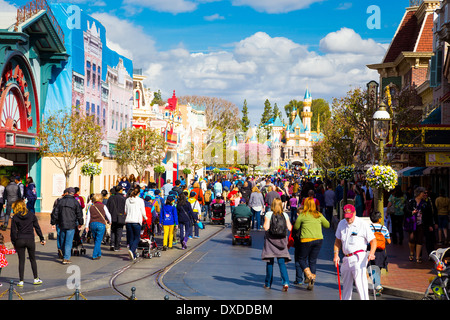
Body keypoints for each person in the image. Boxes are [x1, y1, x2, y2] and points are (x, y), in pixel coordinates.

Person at [333, 204, 376, 300]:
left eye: (350, 217)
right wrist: (336, 254)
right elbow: (337, 241)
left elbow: (373, 241)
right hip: (346, 257)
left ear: (355, 213)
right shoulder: (341, 223)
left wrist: (372, 253)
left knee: (360, 283)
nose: (349, 219)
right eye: (347, 217)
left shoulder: (362, 224)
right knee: (346, 285)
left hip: (359, 257)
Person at [293, 197, 330, 290]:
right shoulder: (318, 214)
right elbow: (327, 225)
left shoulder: (303, 215)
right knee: (312, 260)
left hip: (306, 239)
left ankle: (309, 275)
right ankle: (311, 280)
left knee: (301, 259)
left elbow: (296, 226)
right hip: (318, 239)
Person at [10, 199, 45, 286]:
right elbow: (37, 227)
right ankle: (36, 278)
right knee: (32, 259)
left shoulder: (15, 217)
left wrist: (14, 242)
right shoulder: (31, 215)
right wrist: (42, 238)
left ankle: (21, 281)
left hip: (20, 240)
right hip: (30, 239)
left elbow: (13, 232)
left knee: (21, 260)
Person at [261, 198, 292, 292]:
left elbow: (266, 227)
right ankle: (286, 282)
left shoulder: (269, 214)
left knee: (270, 262)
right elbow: (290, 227)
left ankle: (268, 284)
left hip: (270, 241)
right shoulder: (285, 215)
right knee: (281, 263)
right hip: (282, 241)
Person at [51, 187, 83, 264]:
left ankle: (63, 251)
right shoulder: (75, 202)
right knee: (68, 241)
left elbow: (55, 212)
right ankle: (66, 258)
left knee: (62, 239)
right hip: (71, 224)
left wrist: (53, 222)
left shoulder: (60, 201)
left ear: (67, 193)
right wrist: (80, 223)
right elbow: (79, 214)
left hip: (61, 224)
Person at [403, 187, 434, 263]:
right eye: (424, 193)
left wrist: (430, 225)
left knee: (420, 240)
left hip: (421, 224)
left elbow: (430, 214)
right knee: (411, 239)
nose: (425, 194)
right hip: (412, 223)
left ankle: (417, 257)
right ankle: (411, 252)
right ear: (419, 193)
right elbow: (405, 210)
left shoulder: (425, 203)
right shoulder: (411, 201)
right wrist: (412, 212)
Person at [368, 211, 391, 296]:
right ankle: (378, 286)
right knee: (378, 269)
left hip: (370, 250)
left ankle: (377, 286)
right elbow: (389, 241)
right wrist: (383, 243)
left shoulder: (368, 227)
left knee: (370, 268)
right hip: (381, 252)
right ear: (380, 219)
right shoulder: (384, 228)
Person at [85, 194, 112, 260]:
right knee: (98, 240)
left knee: (96, 240)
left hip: (92, 224)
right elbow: (108, 214)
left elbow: (88, 217)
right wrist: (110, 221)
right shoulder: (103, 206)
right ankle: (94, 255)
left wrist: (86, 226)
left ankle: (99, 253)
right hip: (101, 224)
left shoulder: (91, 207)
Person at [124, 187, 147, 260]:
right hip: (136, 221)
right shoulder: (140, 200)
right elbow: (143, 211)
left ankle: (133, 255)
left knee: (131, 238)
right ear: (138, 193)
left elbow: (126, 210)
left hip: (128, 221)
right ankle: (132, 250)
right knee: (137, 238)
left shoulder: (127, 200)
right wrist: (145, 217)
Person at [106, 186, 127, 251]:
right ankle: (117, 246)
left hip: (112, 216)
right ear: (120, 190)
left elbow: (107, 208)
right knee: (119, 231)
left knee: (113, 230)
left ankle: (112, 244)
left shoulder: (111, 198)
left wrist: (107, 217)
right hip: (121, 217)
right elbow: (125, 209)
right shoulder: (123, 198)